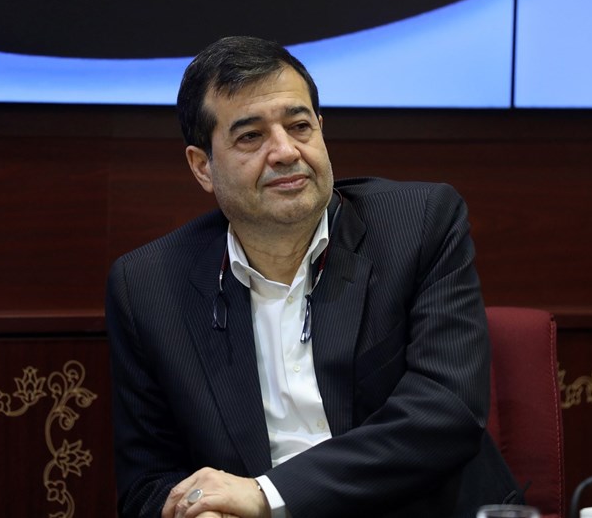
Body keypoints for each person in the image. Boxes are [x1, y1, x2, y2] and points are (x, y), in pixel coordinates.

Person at [107, 36, 523, 518]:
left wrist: (266, 494)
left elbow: (446, 412)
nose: (285, 151)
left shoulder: (419, 225)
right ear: (203, 167)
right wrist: (201, 510)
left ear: (321, 131)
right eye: (251, 137)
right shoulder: (148, 287)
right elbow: (147, 483)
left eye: (299, 126)